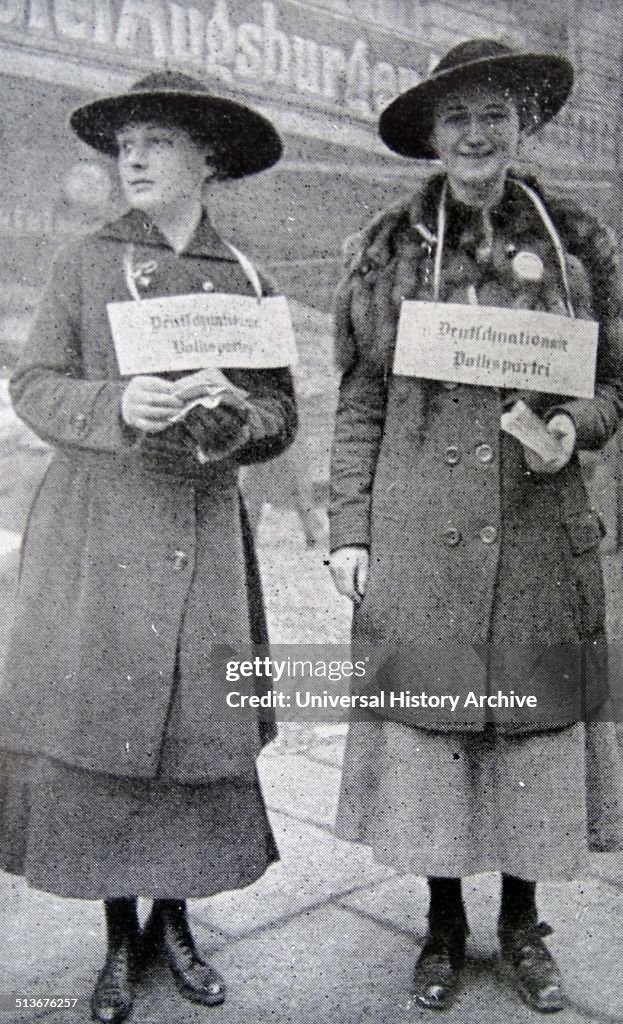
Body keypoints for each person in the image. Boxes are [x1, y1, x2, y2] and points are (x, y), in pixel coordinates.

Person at [329, 38, 623, 1013]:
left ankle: (520, 923)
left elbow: (613, 382)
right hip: (421, 533)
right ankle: (444, 921)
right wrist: (348, 528)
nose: (472, 133)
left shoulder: (577, 244)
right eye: (452, 117)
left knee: (531, 741)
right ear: (428, 135)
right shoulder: (386, 249)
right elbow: (360, 396)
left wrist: (568, 428)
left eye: (491, 113)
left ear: (521, 123)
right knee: (436, 741)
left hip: (536, 525)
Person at [0, 71, 296, 1023]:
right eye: (125, 142)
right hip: (100, 531)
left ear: (207, 159)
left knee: (192, 726)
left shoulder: (245, 278)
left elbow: (283, 412)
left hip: (203, 530)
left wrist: (242, 414)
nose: (132, 157)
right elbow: (35, 385)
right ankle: (120, 936)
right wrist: (116, 403)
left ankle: (176, 919)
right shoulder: (84, 264)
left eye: (158, 141)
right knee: (107, 726)